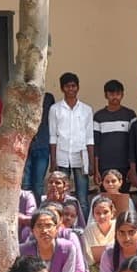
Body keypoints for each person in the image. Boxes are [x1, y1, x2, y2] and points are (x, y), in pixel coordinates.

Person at [18, 207, 90, 272]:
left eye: (49, 225)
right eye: (39, 226)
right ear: (33, 230)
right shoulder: (23, 250)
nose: (44, 230)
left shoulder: (67, 248)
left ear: (56, 229)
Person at [49, 72, 96, 217]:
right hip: (62, 156)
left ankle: (83, 228)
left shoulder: (86, 109)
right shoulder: (55, 109)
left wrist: (92, 163)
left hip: (81, 158)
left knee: (82, 197)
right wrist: (53, 161)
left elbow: (89, 138)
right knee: (62, 196)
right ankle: (62, 225)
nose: (71, 89)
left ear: (78, 87)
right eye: (67, 86)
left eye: (73, 86)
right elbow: (53, 136)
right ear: (62, 89)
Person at [92, 79, 135, 185]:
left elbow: (133, 144)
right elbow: (95, 145)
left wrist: (133, 168)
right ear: (106, 95)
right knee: (106, 199)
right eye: (111, 94)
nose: (115, 97)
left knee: (123, 198)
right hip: (104, 166)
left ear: (122, 95)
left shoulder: (130, 115)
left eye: (118, 94)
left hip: (125, 166)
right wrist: (96, 170)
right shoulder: (99, 116)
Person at [21, 86, 57, 203]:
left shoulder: (48, 98)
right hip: (25, 147)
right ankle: (25, 211)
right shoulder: (21, 98)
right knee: (25, 183)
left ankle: (38, 213)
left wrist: (53, 159)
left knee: (38, 184)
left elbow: (52, 124)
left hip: (42, 146)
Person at [82, 196, 117, 272]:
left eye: (105, 212)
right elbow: (87, 257)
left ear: (112, 213)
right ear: (93, 215)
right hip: (96, 269)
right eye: (98, 213)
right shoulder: (88, 230)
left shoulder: (119, 227)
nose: (101, 216)